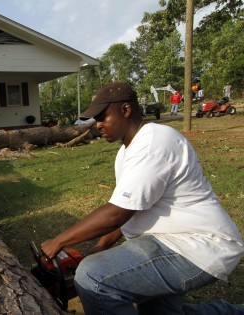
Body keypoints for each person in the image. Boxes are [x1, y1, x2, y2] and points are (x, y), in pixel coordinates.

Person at [41, 82, 244, 315]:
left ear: (125, 110)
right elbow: (131, 207)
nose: (97, 125)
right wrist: (101, 246)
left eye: (102, 117)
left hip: (198, 245)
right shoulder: (128, 150)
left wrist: (58, 241)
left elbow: (117, 214)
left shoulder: (153, 142)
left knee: (94, 276)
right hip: (169, 241)